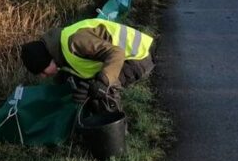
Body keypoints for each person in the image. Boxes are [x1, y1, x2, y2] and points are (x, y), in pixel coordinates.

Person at [20, 18, 155, 113]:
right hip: (123, 58)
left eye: (42, 71)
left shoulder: (75, 41)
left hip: (137, 57)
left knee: (100, 91)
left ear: (48, 59)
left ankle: (114, 135)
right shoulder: (59, 51)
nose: (43, 76)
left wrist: (102, 83)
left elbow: (117, 53)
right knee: (88, 88)